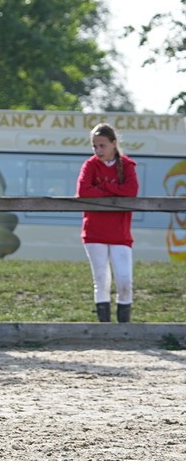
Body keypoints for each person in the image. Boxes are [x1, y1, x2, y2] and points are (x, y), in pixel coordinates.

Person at [76, 123, 138, 322]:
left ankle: (123, 326)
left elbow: (131, 190)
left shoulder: (127, 165)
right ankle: (104, 326)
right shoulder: (89, 165)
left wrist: (101, 188)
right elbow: (84, 191)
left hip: (120, 232)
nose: (98, 150)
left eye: (102, 145)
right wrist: (112, 192)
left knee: (124, 280)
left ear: (113, 143)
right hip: (94, 231)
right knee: (101, 280)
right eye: (95, 146)